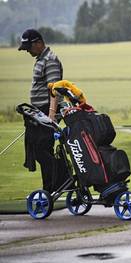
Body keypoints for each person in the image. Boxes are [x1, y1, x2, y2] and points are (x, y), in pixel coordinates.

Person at [18, 29, 63, 193]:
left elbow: (55, 89)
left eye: (29, 47)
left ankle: (54, 186)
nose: (27, 51)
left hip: (47, 112)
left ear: (38, 43)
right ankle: (50, 187)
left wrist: (50, 116)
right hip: (39, 113)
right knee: (40, 150)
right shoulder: (41, 59)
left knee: (43, 150)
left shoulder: (50, 60)